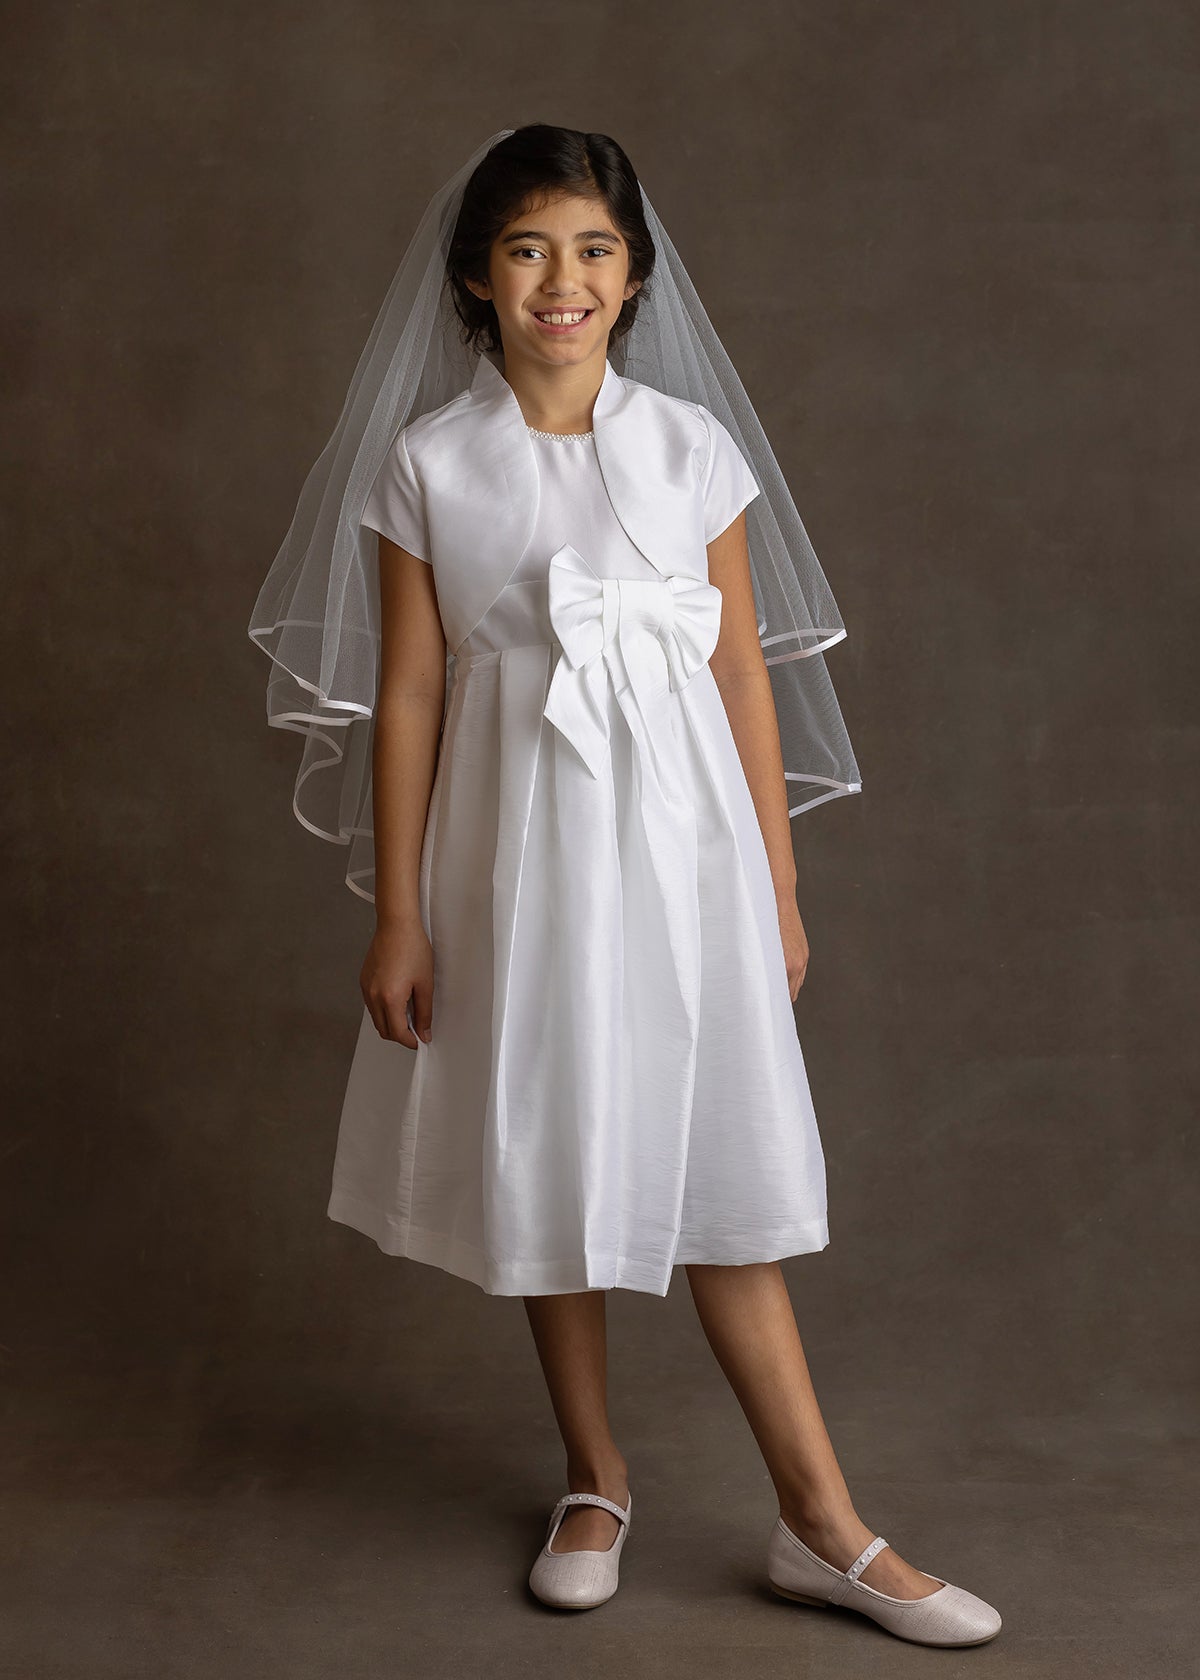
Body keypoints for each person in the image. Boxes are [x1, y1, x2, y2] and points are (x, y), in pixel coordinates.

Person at [249, 124, 1000, 1645]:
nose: (563, 281)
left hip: (687, 857)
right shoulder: (431, 464)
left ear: (637, 275)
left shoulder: (689, 447)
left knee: (725, 1173)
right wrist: (399, 912)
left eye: (594, 250)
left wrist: (778, 891)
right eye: (528, 250)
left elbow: (739, 670)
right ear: (477, 276)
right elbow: (407, 695)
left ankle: (821, 1522)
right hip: (513, 857)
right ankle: (594, 1475)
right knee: (551, 1145)